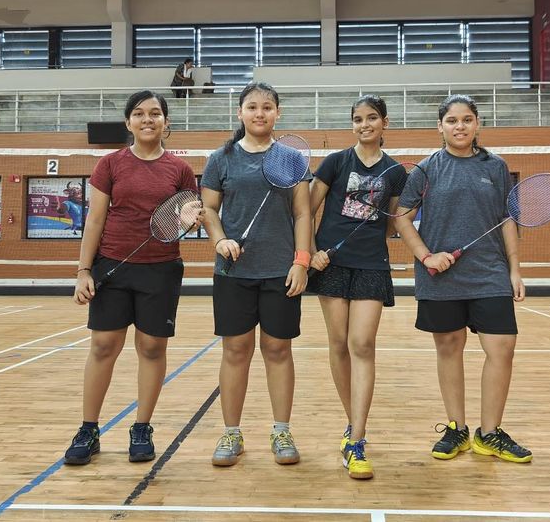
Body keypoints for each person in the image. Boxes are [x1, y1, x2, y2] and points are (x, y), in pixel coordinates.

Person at [393, 94, 532, 464]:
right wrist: (426, 256)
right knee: (449, 348)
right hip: (442, 278)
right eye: (452, 120)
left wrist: (515, 269)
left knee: (502, 348)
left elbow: (507, 220)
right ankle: (457, 428)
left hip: (489, 273)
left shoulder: (496, 167)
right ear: (440, 126)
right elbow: (402, 217)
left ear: (477, 124)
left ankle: (490, 433)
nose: (459, 126)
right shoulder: (426, 170)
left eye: (467, 119)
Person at [63, 90, 199, 465]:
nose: (147, 119)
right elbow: (95, 220)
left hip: (161, 269)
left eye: (155, 113)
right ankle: (88, 429)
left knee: (152, 348)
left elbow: (183, 218)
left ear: (166, 122)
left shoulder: (180, 170)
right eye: (139, 113)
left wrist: (190, 220)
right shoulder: (110, 164)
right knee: (103, 345)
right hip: (112, 265)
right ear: (128, 122)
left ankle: (142, 427)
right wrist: (83, 270)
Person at [200, 82, 312, 468]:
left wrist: (301, 261)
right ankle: (231, 432)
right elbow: (209, 210)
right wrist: (220, 240)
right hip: (233, 272)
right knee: (235, 351)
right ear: (240, 112)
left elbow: (303, 213)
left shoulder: (291, 158)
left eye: (267, 107)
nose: (259, 113)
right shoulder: (221, 159)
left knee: (278, 350)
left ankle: (281, 430)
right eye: (252, 107)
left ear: (277, 113)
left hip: (280, 271)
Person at [306, 95, 400, 480]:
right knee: (339, 343)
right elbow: (306, 209)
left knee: (362, 344)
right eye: (358, 119)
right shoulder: (335, 162)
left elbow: (392, 225)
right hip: (330, 263)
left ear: (384, 122)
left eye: (372, 117)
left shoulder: (395, 171)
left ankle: (357, 439)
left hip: (371, 265)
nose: (365, 124)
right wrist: (311, 252)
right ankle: (353, 423)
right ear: (353, 124)